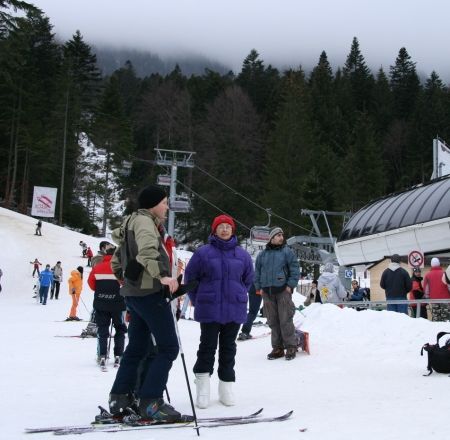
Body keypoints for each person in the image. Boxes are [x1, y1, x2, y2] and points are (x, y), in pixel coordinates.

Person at [108, 185, 189, 423]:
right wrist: (162, 277)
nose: (166, 207)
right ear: (153, 204)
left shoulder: (130, 222)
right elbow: (146, 252)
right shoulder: (145, 222)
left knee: (137, 347)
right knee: (168, 348)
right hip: (149, 294)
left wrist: (126, 279)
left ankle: (120, 397)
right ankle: (151, 402)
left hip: (135, 294)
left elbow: (116, 260)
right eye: (164, 202)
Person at [184, 214, 253, 409]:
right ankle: (203, 387)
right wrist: (200, 300)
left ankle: (226, 386)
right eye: (221, 226)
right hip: (209, 308)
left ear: (233, 230)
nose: (224, 229)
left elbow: (247, 280)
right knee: (207, 347)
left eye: (228, 227)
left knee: (228, 348)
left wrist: (237, 294)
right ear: (214, 230)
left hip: (234, 308)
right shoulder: (203, 253)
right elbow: (190, 279)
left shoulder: (242, 255)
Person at [254, 226, 300, 361]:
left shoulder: (287, 252)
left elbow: (295, 269)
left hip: (283, 291)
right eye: (278, 235)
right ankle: (277, 348)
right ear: (272, 238)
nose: (281, 237)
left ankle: (291, 346)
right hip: (267, 292)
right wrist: (259, 287)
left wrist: (290, 285)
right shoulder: (262, 255)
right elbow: (257, 272)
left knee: (285, 319)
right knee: (272, 321)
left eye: (282, 235)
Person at [88, 247, 127, 368]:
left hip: (101, 303)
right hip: (118, 304)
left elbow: (91, 283)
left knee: (102, 329)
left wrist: (100, 291)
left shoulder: (97, 267)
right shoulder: (120, 268)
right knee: (120, 329)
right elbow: (126, 284)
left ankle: (102, 355)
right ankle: (118, 355)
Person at [423, 257, 450, 321]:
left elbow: (426, 289)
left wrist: (427, 298)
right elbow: (449, 286)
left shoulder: (427, 275)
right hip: (446, 300)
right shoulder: (445, 273)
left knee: (436, 319)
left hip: (434, 300)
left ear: (431, 265)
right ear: (439, 264)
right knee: (446, 319)